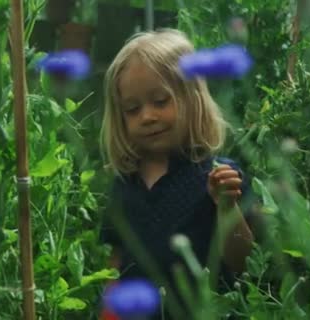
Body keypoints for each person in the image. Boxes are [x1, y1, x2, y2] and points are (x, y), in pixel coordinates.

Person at [98, 29, 259, 319]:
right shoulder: (124, 183)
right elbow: (117, 259)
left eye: (161, 101)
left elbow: (244, 262)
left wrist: (227, 208)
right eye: (133, 109)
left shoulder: (220, 176)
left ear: (193, 99)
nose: (147, 116)